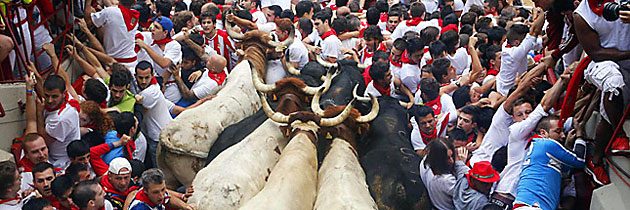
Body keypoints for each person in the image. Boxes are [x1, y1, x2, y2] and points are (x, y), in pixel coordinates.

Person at [492, 64, 570, 209]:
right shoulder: (516, 130)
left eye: (528, 112)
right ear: (514, 119)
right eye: (519, 115)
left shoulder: (540, 133)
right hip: (504, 196)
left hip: (522, 200)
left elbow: (561, 117)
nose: (525, 117)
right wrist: (562, 82)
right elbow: (544, 106)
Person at [573, 0, 630, 185]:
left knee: (611, 109)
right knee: (613, 82)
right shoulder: (581, 14)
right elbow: (597, 53)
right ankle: (619, 136)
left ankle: (595, 160)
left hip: (627, 64)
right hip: (601, 63)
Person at [513, 116, 585, 210]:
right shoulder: (547, 144)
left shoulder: (537, 145)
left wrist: (568, 145)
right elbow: (580, 160)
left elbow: (566, 168)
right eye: (558, 131)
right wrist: (579, 135)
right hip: (534, 207)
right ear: (543, 133)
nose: (563, 136)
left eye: (563, 131)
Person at [133, 61, 173, 168]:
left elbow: (139, 113)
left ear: (152, 76)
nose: (144, 81)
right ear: (135, 76)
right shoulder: (147, 88)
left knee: (160, 170)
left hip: (158, 138)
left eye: (147, 77)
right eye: (140, 78)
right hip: (157, 135)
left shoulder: (150, 92)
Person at [136, 16, 183, 104]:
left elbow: (164, 63)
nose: (152, 29)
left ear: (165, 32)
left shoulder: (174, 45)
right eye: (153, 26)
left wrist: (145, 47)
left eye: (156, 27)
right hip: (154, 84)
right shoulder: (150, 38)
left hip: (171, 86)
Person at [496, 10, 544, 96]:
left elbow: (539, 43)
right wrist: (545, 11)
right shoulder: (514, 53)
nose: (526, 42)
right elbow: (534, 31)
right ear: (517, 42)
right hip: (507, 93)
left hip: (505, 85)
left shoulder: (508, 43)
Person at [37, 75, 81, 169]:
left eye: (54, 96)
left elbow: (44, 140)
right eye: (47, 95)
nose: (49, 100)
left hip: (61, 162)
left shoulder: (61, 118)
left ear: (64, 93)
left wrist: (39, 113)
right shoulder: (68, 98)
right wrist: (37, 77)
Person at [84, 0, 139, 68]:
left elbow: (88, 20)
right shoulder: (134, 17)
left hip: (114, 64)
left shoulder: (110, 12)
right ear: (135, 2)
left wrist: (88, 2)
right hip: (133, 63)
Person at [419, 139, 467, 210]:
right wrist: (461, 164)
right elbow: (465, 192)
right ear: (439, 159)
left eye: (452, 156)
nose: (452, 160)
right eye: (447, 158)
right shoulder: (446, 180)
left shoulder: (425, 162)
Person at [129, 169, 195, 210]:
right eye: (155, 192)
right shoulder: (139, 207)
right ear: (145, 190)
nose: (161, 196)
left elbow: (168, 199)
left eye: (163, 189)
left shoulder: (157, 195)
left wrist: (185, 206)